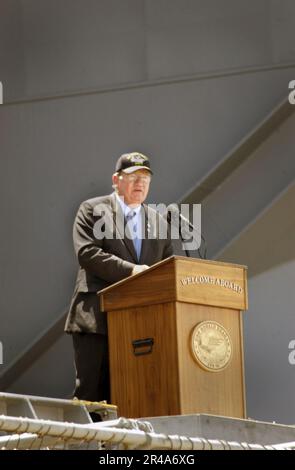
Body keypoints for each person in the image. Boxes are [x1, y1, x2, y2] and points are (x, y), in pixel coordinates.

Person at [65, 152, 173, 403]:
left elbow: (167, 270)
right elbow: (87, 253)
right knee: (92, 398)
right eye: (133, 176)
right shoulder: (92, 209)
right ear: (116, 179)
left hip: (143, 325)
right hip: (97, 319)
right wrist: (131, 271)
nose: (140, 182)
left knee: (135, 397)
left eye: (145, 177)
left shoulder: (160, 221)